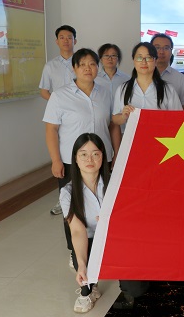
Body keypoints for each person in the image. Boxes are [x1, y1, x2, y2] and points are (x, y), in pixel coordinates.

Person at [43, 48, 120, 269]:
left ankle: (103, 247)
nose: (88, 68)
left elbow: (113, 125)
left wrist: (116, 153)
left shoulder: (105, 93)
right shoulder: (59, 96)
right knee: (73, 207)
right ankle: (74, 251)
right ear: (74, 68)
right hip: (72, 162)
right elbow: (51, 130)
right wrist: (55, 160)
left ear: (98, 67)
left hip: (101, 160)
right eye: (82, 64)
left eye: (92, 64)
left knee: (103, 203)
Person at [61, 133, 109, 313]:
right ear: (75, 158)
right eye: (83, 154)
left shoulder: (115, 183)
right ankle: (87, 290)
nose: (90, 159)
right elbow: (77, 231)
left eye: (95, 154)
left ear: (102, 156)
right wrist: (82, 264)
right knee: (80, 262)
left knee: (135, 290)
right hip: (88, 239)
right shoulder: (68, 192)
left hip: (113, 237)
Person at [40, 24, 78, 215]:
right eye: (62, 37)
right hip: (60, 118)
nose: (66, 40)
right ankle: (63, 200)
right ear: (56, 41)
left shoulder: (81, 62)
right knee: (62, 155)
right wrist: (59, 104)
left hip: (80, 115)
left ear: (75, 40)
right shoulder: (50, 66)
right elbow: (44, 91)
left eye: (69, 37)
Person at [112, 42, 182, 126]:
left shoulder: (168, 90)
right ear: (134, 61)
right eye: (139, 58)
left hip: (159, 134)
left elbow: (179, 118)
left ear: (155, 61)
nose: (144, 62)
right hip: (132, 134)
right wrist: (123, 117)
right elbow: (115, 119)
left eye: (148, 58)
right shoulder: (122, 89)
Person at [151, 33, 184, 110]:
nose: (161, 52)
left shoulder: (180, 78)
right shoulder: (141, 76)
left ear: (171, 51)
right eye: (157, 47)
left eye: (166, 48)